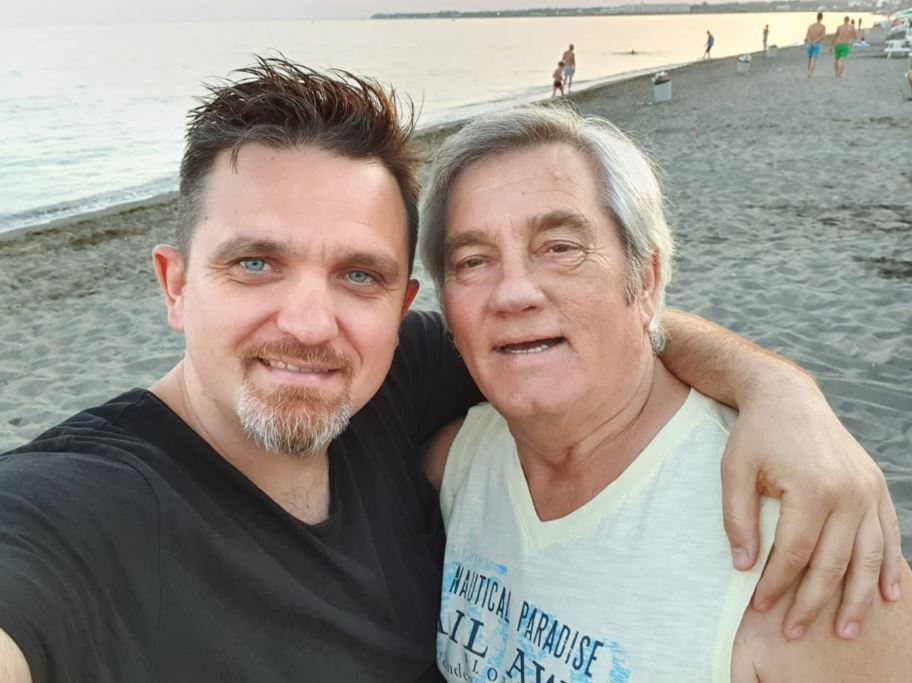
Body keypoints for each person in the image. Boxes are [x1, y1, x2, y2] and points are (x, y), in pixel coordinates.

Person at [0, 58, 903, 683]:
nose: (310, 322)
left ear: (401, 306)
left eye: (359, 275)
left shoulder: (798, 549)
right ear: (174, 284)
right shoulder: (80, 509)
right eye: (255, 262)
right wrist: (778, 387)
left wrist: (778, 388)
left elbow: (603, 333)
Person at [420, 105, 912, 682]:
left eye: (560, 247)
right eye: (473, 261)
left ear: (647, 281)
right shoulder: (459, 463)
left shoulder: (801, 535)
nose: (513, 292)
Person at [805, 12, 826, 77]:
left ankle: (809, 71)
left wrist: (811, 42)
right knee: (813, 59)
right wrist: (815, 42)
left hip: (809, 43)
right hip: (817, 44)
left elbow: (807, 36)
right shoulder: (822, 27)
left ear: (816, 17)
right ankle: (810, 73)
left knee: (809, 58)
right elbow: (822, 36)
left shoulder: (811, 26)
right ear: (822, 18)